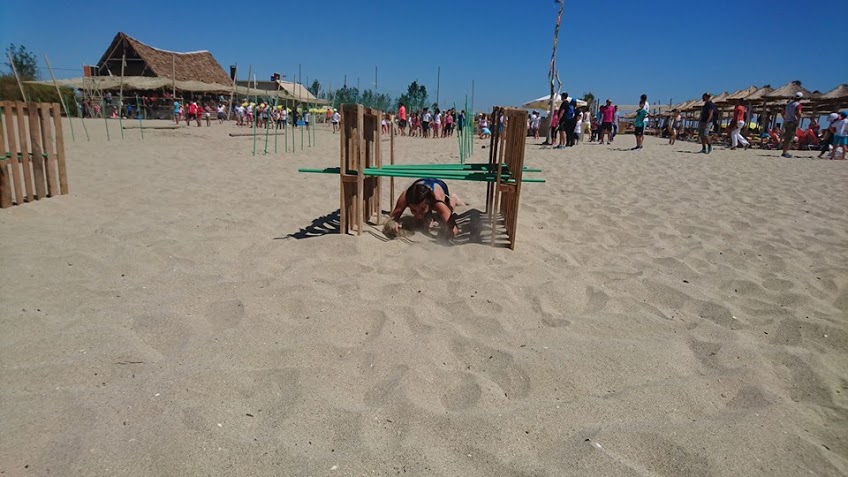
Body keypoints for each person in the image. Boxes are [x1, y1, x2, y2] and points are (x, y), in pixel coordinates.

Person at [386, 179, 462, 239]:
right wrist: (394, 225)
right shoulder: (405, 197)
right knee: (425, 223)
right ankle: (427, 213)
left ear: (429, 203)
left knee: (447, 213)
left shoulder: (437, 202)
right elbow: (393, 217)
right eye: (413, 210)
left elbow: (454, 229)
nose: (418, 215)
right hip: (420, 184)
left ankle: (454, 199)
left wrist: (448, 234)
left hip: (439, 185)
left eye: (422, 209)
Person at [781, 92, 803, 158]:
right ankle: (785, 152)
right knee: (789, 138)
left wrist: (785, 118)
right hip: (792, 122)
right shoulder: (798, 105)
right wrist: (797, 121)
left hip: (787, 122)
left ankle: (784, 151)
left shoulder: (788, 104)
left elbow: (782, 112)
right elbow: (799, 114)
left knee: (786, 138)